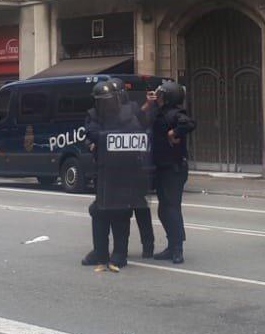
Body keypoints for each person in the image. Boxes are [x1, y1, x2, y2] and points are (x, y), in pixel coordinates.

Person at [82, 80, 152, 270]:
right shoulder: (94, 115)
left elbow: (140, 131)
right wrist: (95, 142)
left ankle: (120, 253)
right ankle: (100, 252)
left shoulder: (130, 111)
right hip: (105, 171)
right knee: (99, 211)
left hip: (127, 171)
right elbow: (91, 134)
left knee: (121, 212)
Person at [146, 82, 195, 264]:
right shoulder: (159, 113)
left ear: (168, 97)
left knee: (171, 208)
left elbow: (189, 123)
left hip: (174, 169)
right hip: (162, 168)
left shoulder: (174, 113)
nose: (158, 97)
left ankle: (177, 249)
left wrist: (173, 132)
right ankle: (171, 245)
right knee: (163, 210)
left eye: (161, 95)